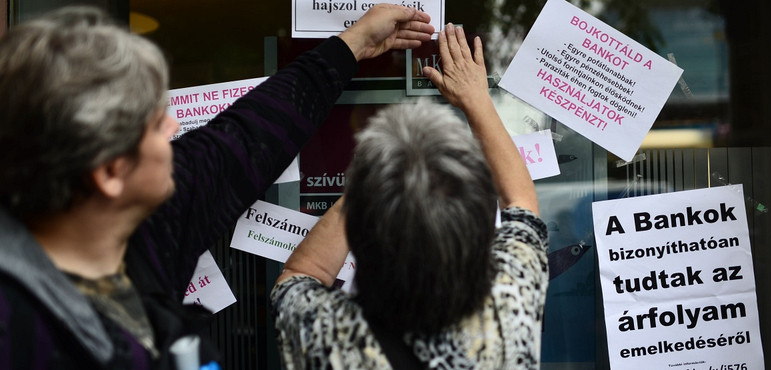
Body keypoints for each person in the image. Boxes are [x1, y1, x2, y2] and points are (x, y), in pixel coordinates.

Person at [0, 4, 433, 369]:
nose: (174, 126)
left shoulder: (148, 222)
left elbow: (245, 139)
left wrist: (353, 43)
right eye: (154, 124)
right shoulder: (20, 331)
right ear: (110, 173)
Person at [271, 23, 549, 369]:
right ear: (480, 229)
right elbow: (522, 202)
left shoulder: (330, 336)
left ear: (360, 235)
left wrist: (371, 184)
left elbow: (301, 274)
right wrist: (477, 100)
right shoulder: (507, 305)